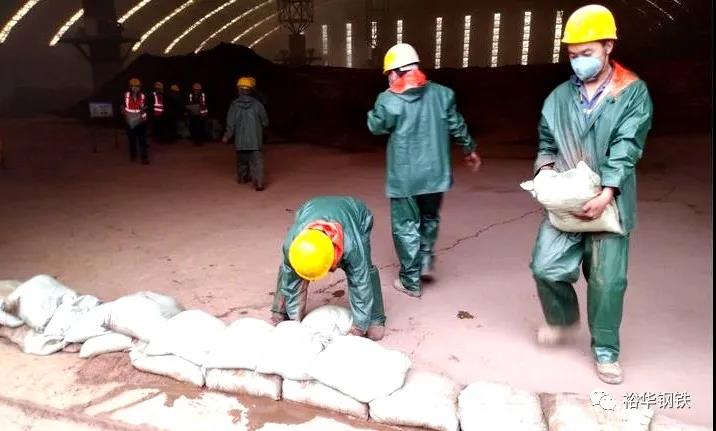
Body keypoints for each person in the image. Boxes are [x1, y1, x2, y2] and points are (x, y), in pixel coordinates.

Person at [529, 4, 653, 385]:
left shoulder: (631, 92)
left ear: (608, 46)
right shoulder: (558, 98)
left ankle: (606, 351)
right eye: (573, 55)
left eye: (587, 53)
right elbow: (547, 142)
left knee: (607, 281)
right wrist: (545, 171)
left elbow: (627, 144)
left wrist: (608, 190)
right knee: (545, 266)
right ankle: (563, 320)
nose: (579, 61)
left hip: (608, 202)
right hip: (567, 201)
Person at [367, 43, 481, 298]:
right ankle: (426, 259)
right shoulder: (443, 94)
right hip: (436, 174)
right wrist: (469, 149)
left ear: (396, 72)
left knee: (406, 225)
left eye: (388, 73)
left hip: (405, 177)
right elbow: (456, 125)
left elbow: (376, 126)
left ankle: (410, 280)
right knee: (429, 217)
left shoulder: (389, 99)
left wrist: (379, 104)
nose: (388, 78)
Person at [271, 196, 386, 341]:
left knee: (365, 271)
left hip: (357, 214)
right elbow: (291, 283)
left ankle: (375, 318)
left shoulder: (352, 247)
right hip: (310, 208)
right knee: (288, 270)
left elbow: (360, 283)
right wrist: (296, 324)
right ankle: (280, 310)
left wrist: (358, 328)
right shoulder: (292, 245)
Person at [222, 77, 269, 190]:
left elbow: (230, 124)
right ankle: (259, 183)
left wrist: (227, 135)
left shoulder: (234, 106)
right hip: (255, 140)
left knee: (242, 161)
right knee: (257, 162)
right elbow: (265, 122)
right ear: (250, 90)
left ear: (239, 90)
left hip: (240, 141)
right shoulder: (258, 105)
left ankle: (242, 178)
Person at [122, 78, 149, 164]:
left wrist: (144, 110)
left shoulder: (143, 96)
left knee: (142, 140)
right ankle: (133, 155)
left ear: (140, 87)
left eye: (137, 86)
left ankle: (144, 157)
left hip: (140, 121)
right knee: (132, 139)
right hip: (130, 121)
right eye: (133, 86)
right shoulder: (125, 95)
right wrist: (124, 113)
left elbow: (147, 106)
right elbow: (121, 106)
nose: (135, 88)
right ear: (130, 87)